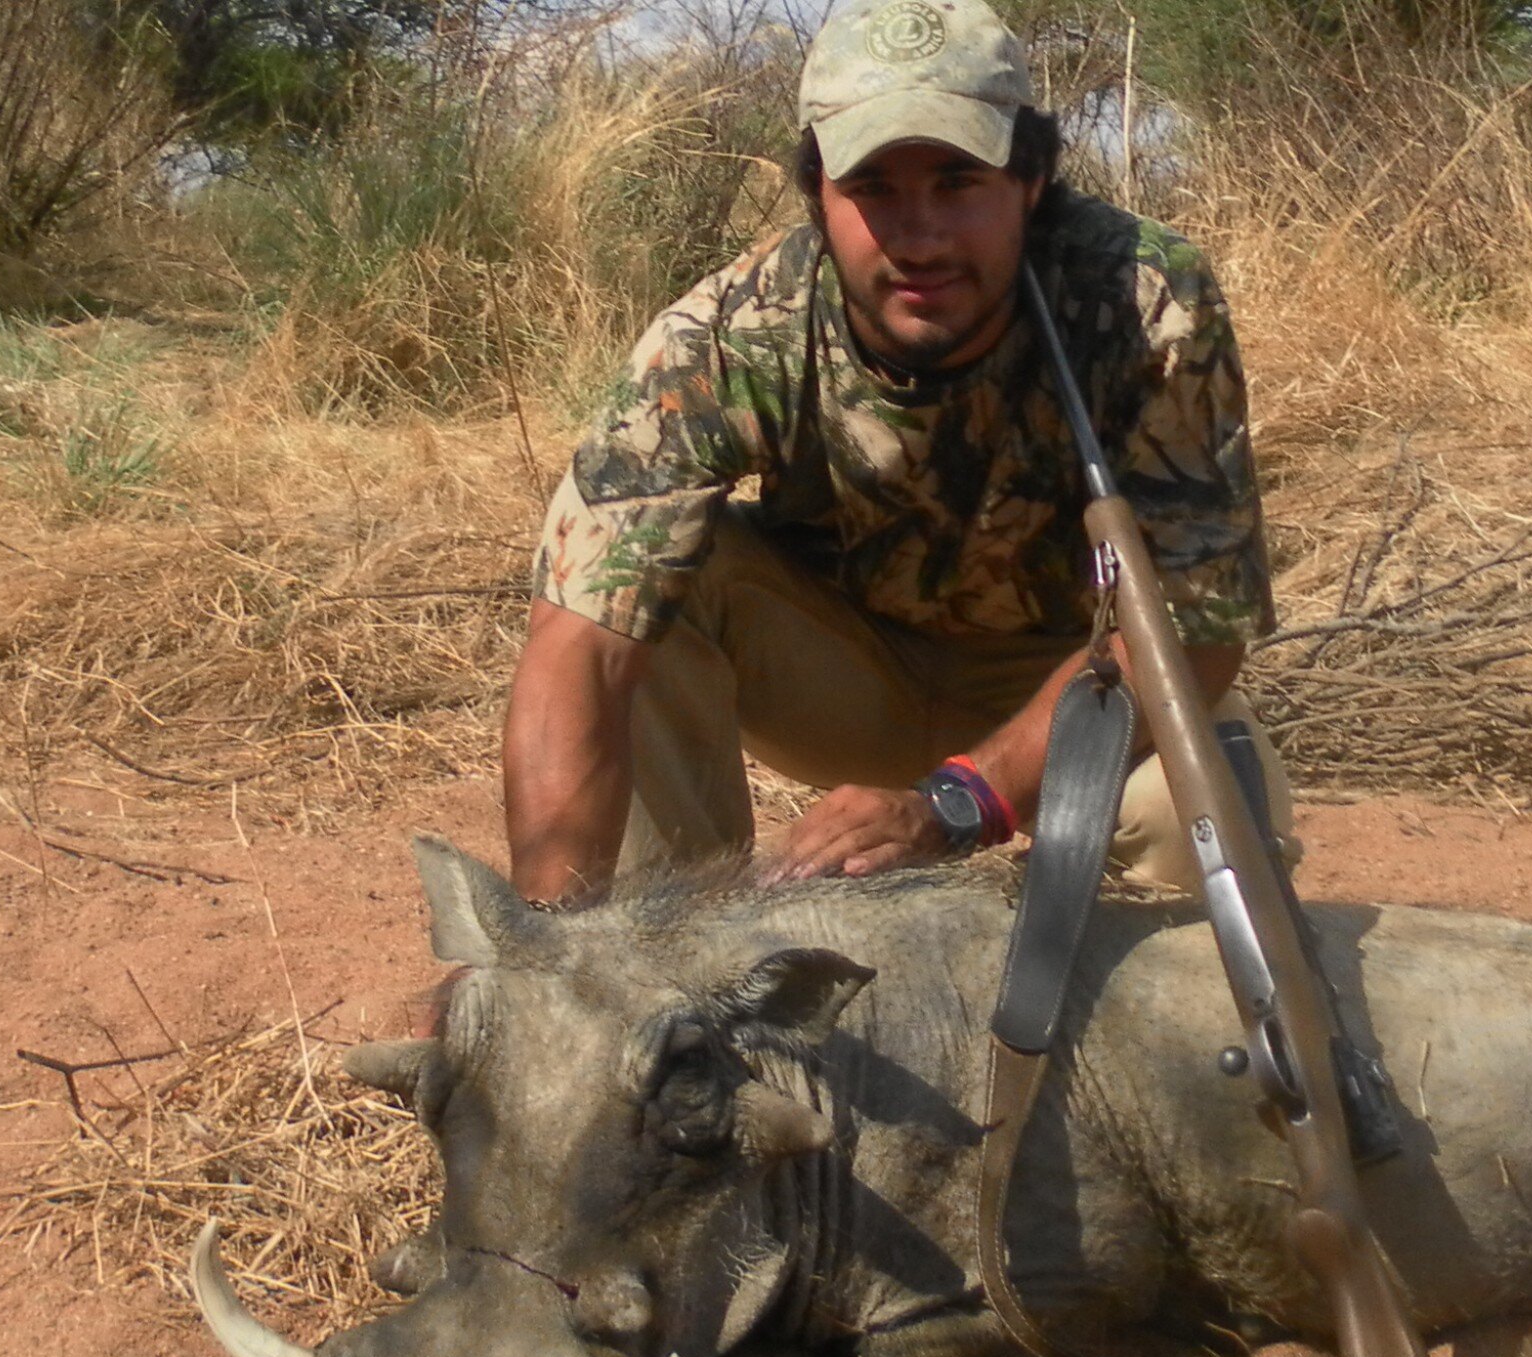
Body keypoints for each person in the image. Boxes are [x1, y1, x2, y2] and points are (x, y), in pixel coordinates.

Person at [502, 0, 1294, 908]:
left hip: (1072, 682)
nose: (919, 237)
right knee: (647, 589)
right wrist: (545, 949)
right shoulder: (725, 335)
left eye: (958, 181)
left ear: (1030, 182)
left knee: (1208, 817)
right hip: (841, 673)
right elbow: (578, 648)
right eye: (874, 187)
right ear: (818, 196)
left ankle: (1084, 1034)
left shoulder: (1145, 299)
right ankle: (665, 996)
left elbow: (1196, 636)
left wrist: (962, 800)